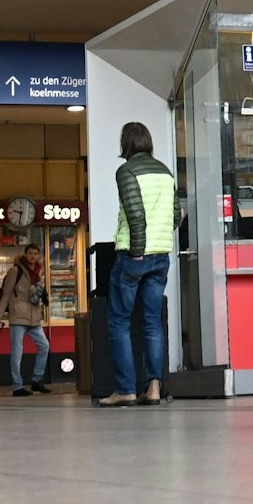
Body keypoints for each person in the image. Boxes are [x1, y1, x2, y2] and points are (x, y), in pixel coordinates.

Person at [104, 121, 176, 408]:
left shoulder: (127, 171)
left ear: (126, 143)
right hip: (161, 256)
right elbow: (176, 214)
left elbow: (135, 215)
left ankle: (125, 389)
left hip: (135, 255)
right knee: (152, 322)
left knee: (119, 321)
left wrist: (136, 251)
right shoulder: (165, 172)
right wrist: (158, 242)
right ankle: (154, 387)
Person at [0, 244, 53, 396]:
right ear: (25, 254)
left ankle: (36, 380)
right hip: (18, 315)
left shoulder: (39, 272)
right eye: (30, 253)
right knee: (17, 352)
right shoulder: (16, 270)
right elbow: (6, 293)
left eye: (35, 253)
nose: (33, 256)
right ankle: (17, 386)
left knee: (44, 345)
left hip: (34, 316)